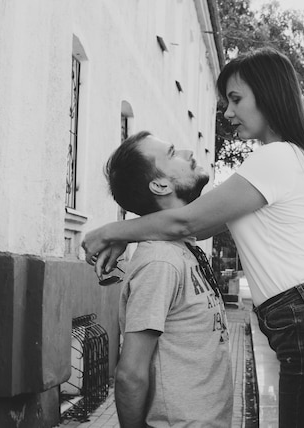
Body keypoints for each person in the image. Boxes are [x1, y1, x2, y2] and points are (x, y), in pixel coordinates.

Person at [82, 47, 304, 427]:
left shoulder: (275, 158)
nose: (228, 113)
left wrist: (111, 231)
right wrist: (131, 236)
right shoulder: (284, 158)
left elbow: (187, 224)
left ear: (268, 95)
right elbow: (193, 223)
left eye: (236, 99)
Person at [103, 131, 233, 428]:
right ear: (160, 185)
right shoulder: (160, 261)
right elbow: (130, 373)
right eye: (173, 152)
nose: (188, 152)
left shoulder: (182, 247)